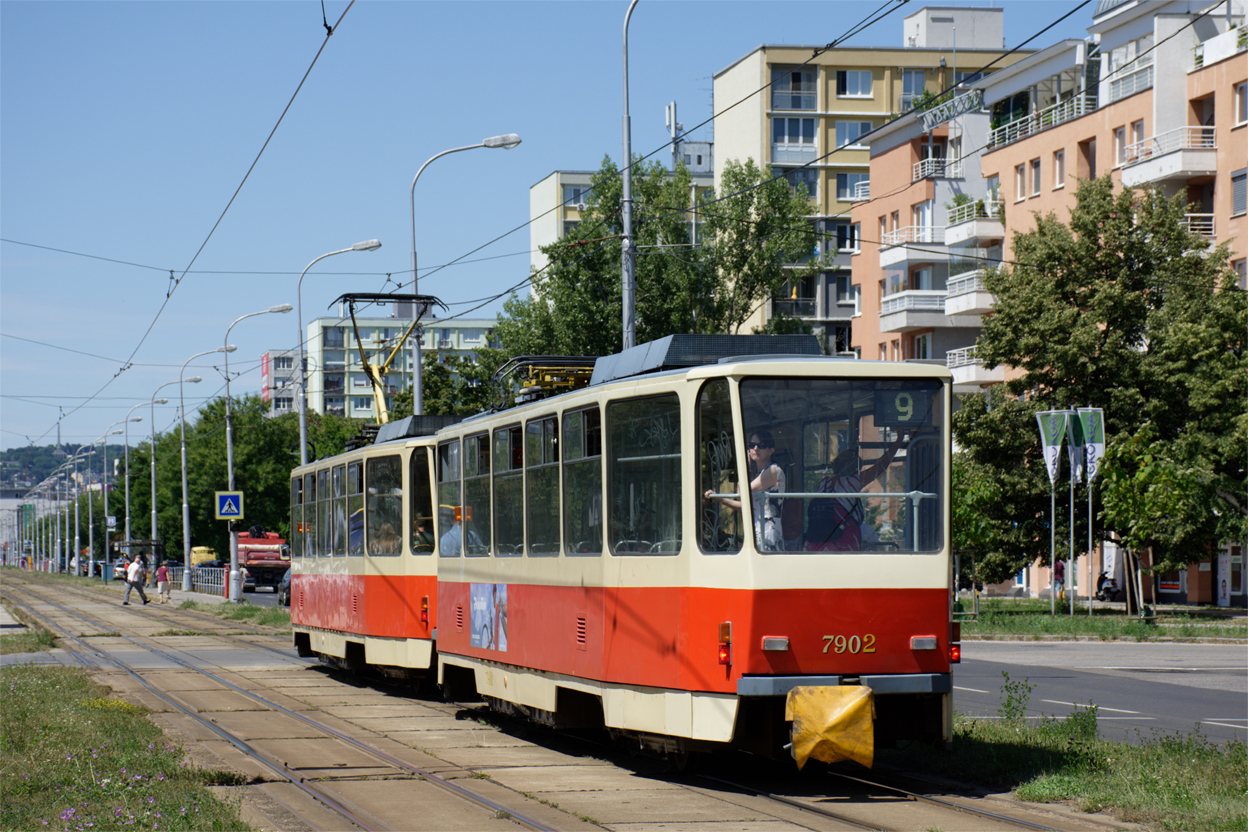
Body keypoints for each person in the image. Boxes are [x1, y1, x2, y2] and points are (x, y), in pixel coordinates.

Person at [807, 431, 908, 551]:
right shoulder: (852, 482)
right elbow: (880, 467)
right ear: (856, 467)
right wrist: (898, 441)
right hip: (843, 542)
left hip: (817, 543)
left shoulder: (824, 483)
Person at [704, 430, 786, 552]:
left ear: (771, 450)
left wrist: (745, 466)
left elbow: (743, 492)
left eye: (761, 445)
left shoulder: (773, 471)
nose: (756, 448)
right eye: (752, 445)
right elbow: (743, 504)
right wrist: (720, 499)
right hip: (756, 532)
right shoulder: (758, 475)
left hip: (768, 532)